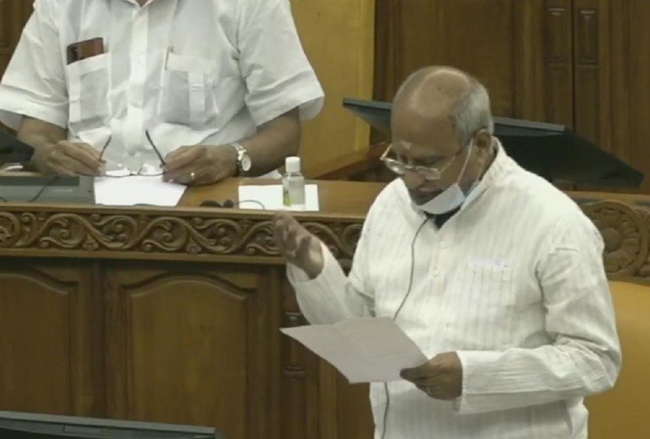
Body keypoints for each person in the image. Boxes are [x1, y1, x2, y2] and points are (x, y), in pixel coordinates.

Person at [273, 66, 621, 438]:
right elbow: (361, 330)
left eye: (428, 164)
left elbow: (595, 359)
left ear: (480, 146)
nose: (411, 179)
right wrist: (315, 271)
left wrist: (475, 378)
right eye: (399, 159)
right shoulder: (391, 204)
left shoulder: (554, 222)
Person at [0, 0, 324, 185]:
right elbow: (36, 129)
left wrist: (231, 158)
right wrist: (48, 155)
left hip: (213, 208)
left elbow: (284, 134)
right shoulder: (61, 6)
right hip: (85, 214)